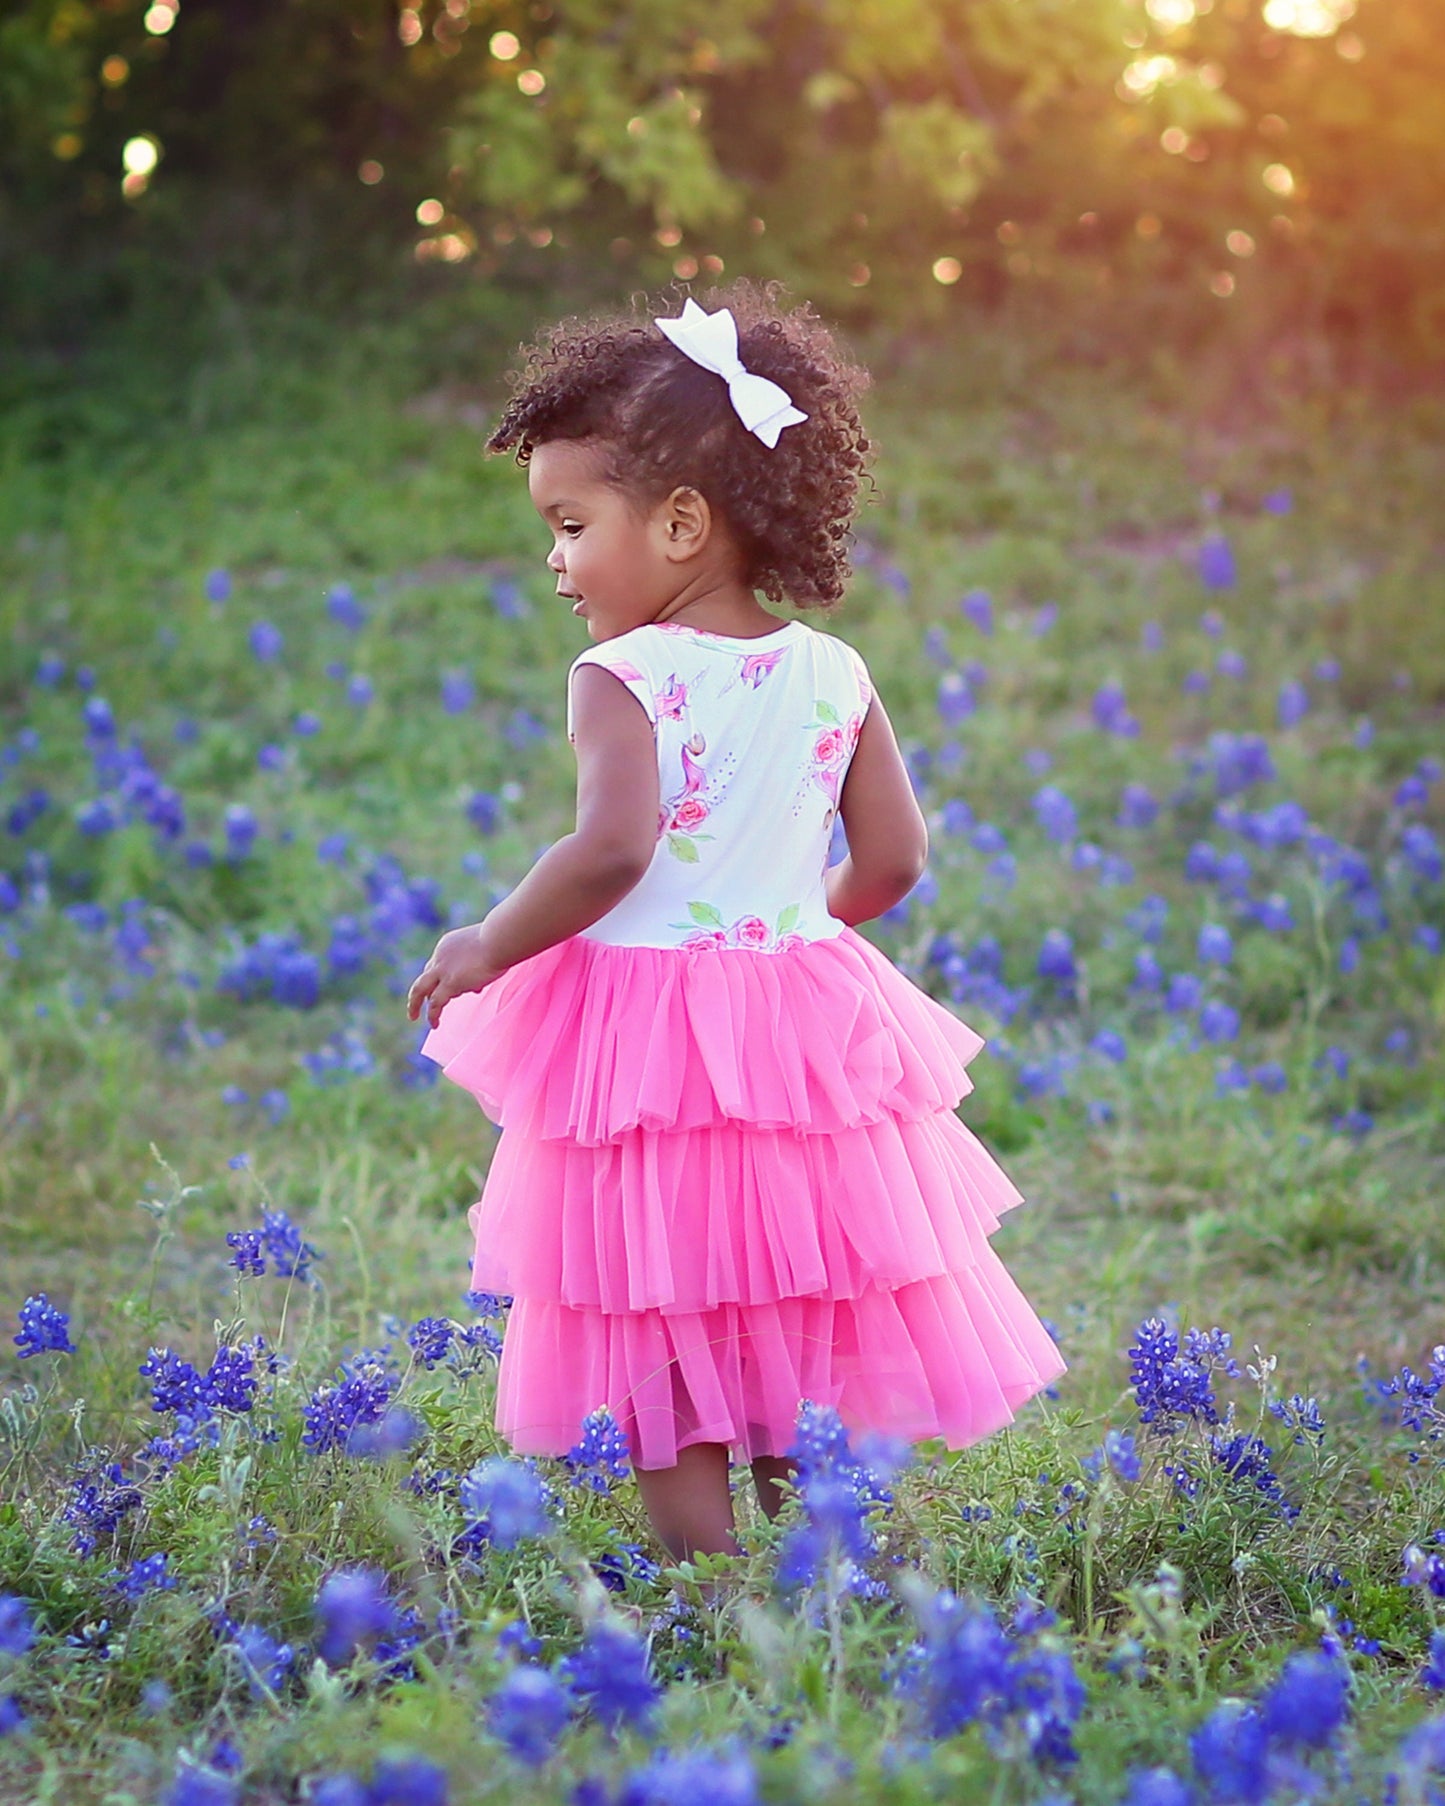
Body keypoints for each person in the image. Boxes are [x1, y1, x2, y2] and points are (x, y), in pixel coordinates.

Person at [407, 281, 1064, 1563]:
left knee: (656, 1309)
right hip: (795, 1018)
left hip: (646, 1041)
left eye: (570, 522)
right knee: (788, 1298)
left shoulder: (621, 675)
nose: (554, 557)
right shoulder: (834, 670)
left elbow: (610, 847)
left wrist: (490, 940)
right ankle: (817, 1562)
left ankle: (705, 1595)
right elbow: (894, 857)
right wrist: (791, 931)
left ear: (682, 520)